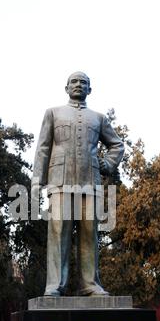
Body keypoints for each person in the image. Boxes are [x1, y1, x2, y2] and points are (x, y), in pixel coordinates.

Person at [32, 72, 124, 297]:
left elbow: (117, 145)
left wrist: (108, 164)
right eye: (74, 81)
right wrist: (37, 181)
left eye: (83, 83)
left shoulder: (98, 118)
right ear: (66, 88)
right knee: (58, 232)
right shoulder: (53, 113)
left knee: (89, 232)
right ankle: (55, 285)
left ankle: (89, 284)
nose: (78, 85)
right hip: (60, 181)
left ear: (89, 90)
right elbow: (43, 148)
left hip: (89, 182)